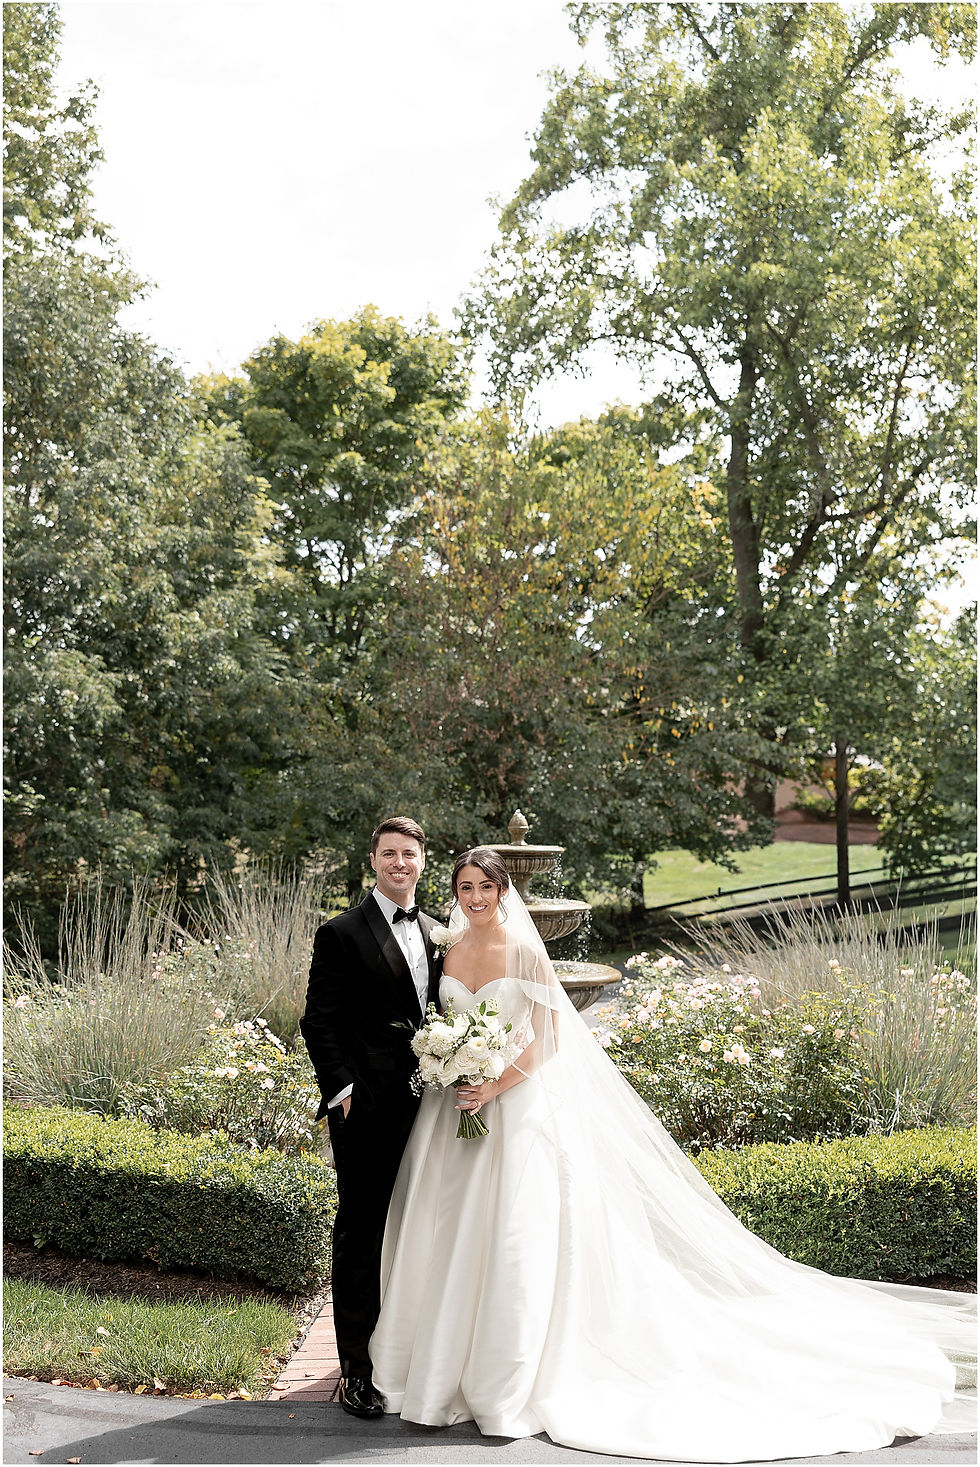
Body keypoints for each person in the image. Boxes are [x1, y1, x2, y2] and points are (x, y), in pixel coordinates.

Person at [369, 846, 976, 1462]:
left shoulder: (524, 951)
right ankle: (441, 1365)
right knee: (447, 1230)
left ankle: (503, 1381)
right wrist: (450, 1067)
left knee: (511, 1237)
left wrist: (495, 1082)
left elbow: (552, 1033)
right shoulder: (450, 948)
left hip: (514, 1105)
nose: (473, 898)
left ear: (503, 893)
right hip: (454, 1114)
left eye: (484, 888)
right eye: (465, 887)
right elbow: (441, 1022)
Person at [300, 815, 440, 1418]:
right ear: (374, 861)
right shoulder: (341, 932)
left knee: (421, 1224)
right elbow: (318, 1019)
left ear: (423, 861)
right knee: (361, 1230)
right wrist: (342, 1091)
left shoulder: (440, 932)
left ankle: (409, 1351)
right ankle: (357, 1369)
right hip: (367, 1104)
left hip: (431, 1101)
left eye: (408, 854)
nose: (399, 863)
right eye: (389, 854)